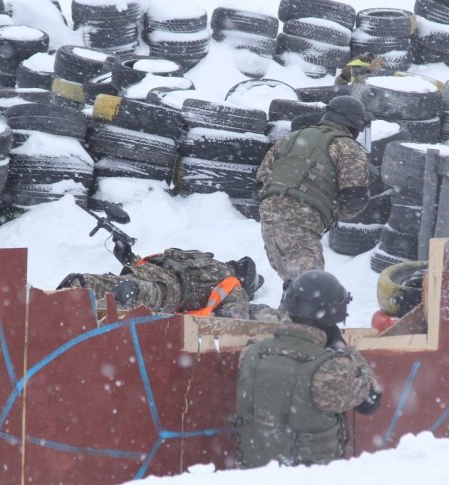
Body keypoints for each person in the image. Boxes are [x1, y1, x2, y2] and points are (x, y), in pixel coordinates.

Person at [232, 270, 382, 468]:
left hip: (252, 474)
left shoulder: (251, 353)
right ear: (334, 313)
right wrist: (341, 345)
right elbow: (371, 401)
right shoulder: (330, 368)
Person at [257, 95, 371, 282]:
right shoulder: (348, 147)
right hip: (302, 216)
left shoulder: (292, 137)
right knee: (310, 286)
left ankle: (289, 308)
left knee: (294, 284)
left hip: (269, 215)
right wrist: (328, 208)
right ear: (355, 124)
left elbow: (262, 177)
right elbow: (354, 199)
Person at [57, 248, 282, 321]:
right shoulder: (232, 283)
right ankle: (131, 294)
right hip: (170, 290)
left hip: (149, 269)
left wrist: (128, 257)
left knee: (116, 283)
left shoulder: (204, 259)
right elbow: (236, 321)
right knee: (146, 293)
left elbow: (165, 262)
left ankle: (81, 284)